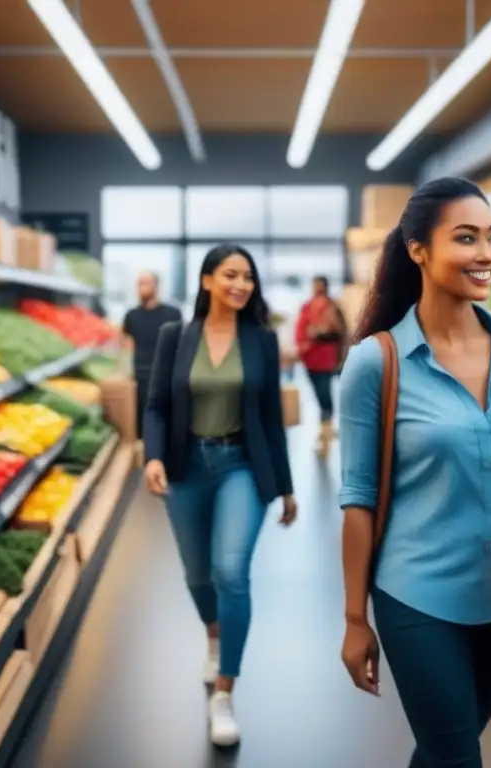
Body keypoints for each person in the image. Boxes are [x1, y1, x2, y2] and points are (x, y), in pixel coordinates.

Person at [337, 178, 491, 768]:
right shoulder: (378, 362)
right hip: (418, 592)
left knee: (448, 747)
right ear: (418, 249)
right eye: (466, 238)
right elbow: (359, 499)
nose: (486, 254)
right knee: (456, 754)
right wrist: (353, 619)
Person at [142, 244, 297, 748]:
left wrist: (287, 487)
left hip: (242, 468)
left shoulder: (261, 341)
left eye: (248, 277)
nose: (241, 284)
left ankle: (224, 691)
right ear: (207, 280)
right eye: (230, 275)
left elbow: (271, 415)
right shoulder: (175, 337)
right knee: (197, 573)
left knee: (230, 570)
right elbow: (157, 406)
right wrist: (153, 456)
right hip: (187, 468)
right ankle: (213, 633)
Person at [122, 272, 182, 439]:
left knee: (168, 421)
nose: (141, 288)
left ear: (156, 285)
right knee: (144, 423)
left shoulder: (173, 314)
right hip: (140, 376)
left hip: (167, 375)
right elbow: (126, 346)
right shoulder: (131, 315)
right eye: (139, 284)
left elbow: (181, 345)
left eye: (145, 283)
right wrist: (125, 373)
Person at [295, 275, 345, 456]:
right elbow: (301, 330)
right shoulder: (307, 306)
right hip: (310, 358)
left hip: (325, 359)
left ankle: (325, 435)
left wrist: (317, 334)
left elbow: (337, 332)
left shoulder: (331, 307)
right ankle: (325, 432)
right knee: (319, 396)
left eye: (318, 285)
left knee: (325, 398)